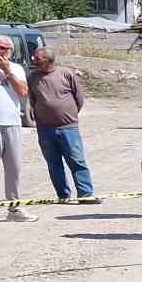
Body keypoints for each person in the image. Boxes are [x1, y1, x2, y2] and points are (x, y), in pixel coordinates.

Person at [0, 36, 38, 226]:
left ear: (11, 51)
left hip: (12, 122)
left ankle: (15, 208)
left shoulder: (17, 68)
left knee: (14, 168)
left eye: (3, 48)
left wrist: (7, 71)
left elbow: (23, 92)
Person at [27, 48, 98, 204]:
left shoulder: (66, 73)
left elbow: (78, 98)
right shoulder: (32, 77)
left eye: (38, 58)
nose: (34, 61)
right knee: (54, 163)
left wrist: (68, 115)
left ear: (49, 60)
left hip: (68, 127)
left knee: (76, 160)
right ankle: (63, 195)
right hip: (44, 129)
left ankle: (85, 194)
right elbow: (32, 100)